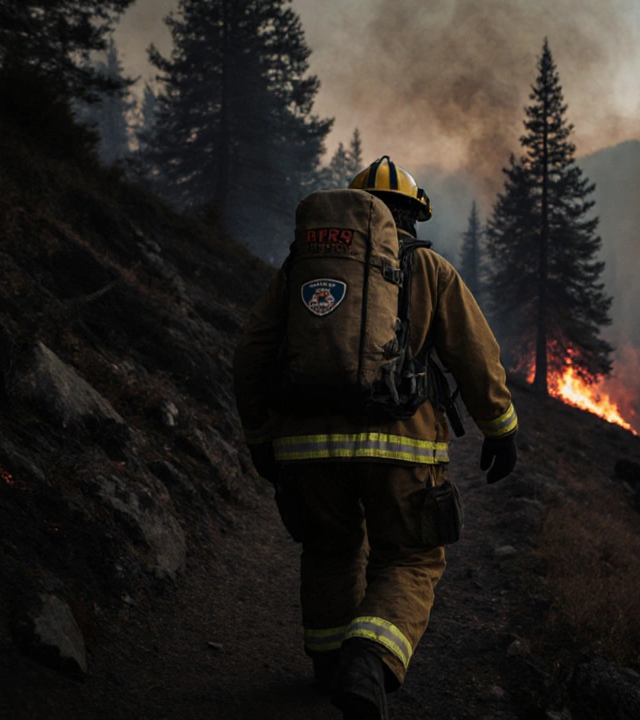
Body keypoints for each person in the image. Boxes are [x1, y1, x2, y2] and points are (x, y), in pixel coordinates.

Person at [232, 156, 518, 720]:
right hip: (402, 449)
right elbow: (475, 355)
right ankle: (369, 664)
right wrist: (499, 427)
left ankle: (328, 664)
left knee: (329, 549)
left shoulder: (299, 269)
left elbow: (251, 354)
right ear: (412, 215)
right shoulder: (429, 268)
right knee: (410, 558)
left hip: (306, 450)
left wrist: (261, 437)